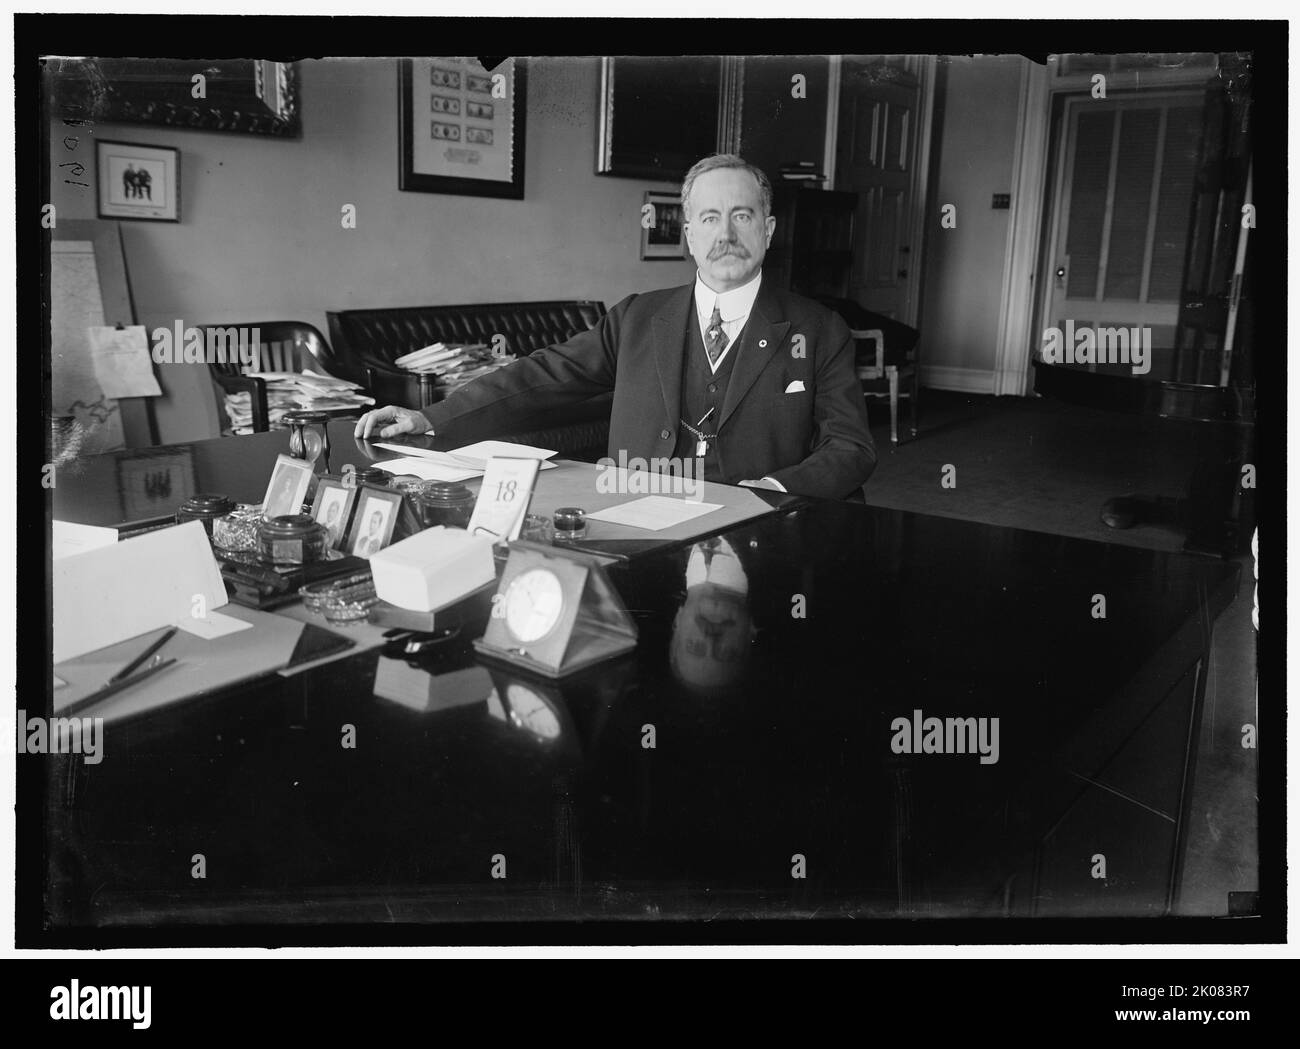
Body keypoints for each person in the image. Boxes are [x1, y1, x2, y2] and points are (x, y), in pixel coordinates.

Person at [355, 153, 875, 500]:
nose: (727, 234)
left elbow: (850, 449)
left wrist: (773, 488)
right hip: (637, 513)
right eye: (711, 218)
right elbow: (543, 375)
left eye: (742, 216)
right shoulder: (638, 317)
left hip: (755, 523)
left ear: (769, 230)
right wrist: (430, 418)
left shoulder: (820, 329)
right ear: (689, 234)